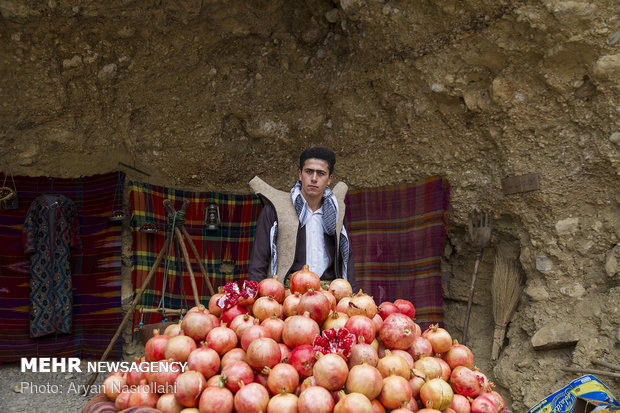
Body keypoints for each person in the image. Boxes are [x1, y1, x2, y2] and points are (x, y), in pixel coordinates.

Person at [248, 146, 357, 293]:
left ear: (330, 179)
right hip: (287, 295)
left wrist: (353, 296)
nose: (313, 178)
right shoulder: (276, 209)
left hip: (329, 294)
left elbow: (346, 260)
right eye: (308, 171)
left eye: (321, 173)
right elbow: (258, 262)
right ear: (300, 174)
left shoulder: (337, 211)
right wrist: (258, 299)